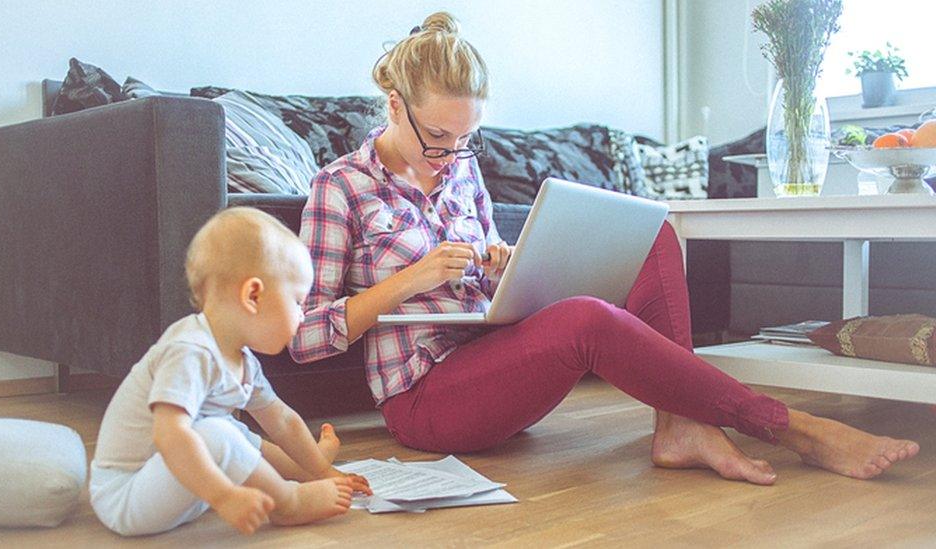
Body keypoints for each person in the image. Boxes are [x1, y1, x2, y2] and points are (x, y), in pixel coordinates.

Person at [291, 12, 918, 485]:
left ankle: (680, 424)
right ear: (394, 106)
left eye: (465, 140)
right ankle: (798, 429)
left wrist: (504, 262)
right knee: (587, 320)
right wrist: (409, 280)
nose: (450, 158)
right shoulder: (340, 187)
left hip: (493, 360)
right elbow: (305, 338)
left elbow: (483, 282)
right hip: (423, 399)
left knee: (653, 235)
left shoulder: (460, 170)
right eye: (436, 138)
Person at [89, 207, 370, 537]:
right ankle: (288, 503)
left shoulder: (243, 361)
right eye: (297, 301)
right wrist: (225, 496)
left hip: (184, 484)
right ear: (253, 295)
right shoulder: (190, 350)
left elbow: (282, 421)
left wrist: (325, 472)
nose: (302, 316)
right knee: (218, 433)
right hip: (127, 497)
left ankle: (304, 475)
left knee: (233, 432)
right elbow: (170, 435)